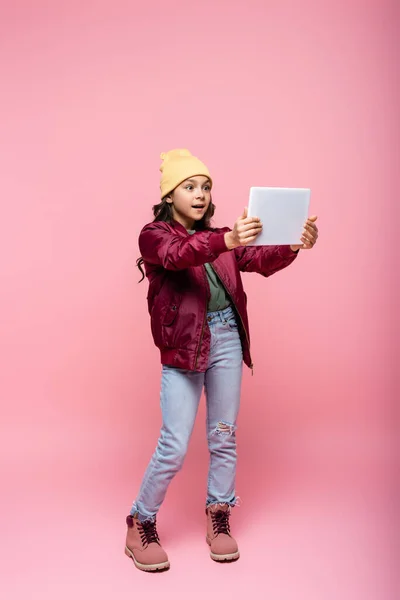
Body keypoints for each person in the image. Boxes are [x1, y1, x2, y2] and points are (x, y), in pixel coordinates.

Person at [125, 149, 319, 572]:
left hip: (227, 336)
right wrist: (226, 240)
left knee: (224, 434)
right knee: (174, 444)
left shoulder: (223, 238)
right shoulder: (154, 235)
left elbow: (259, 260)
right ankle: (140, 519)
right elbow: (180, 255)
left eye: (206, 186)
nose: (200, 194)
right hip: (184, 346)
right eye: (189, 186)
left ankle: (219, 514)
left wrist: (292, 245)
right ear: (169, 194)